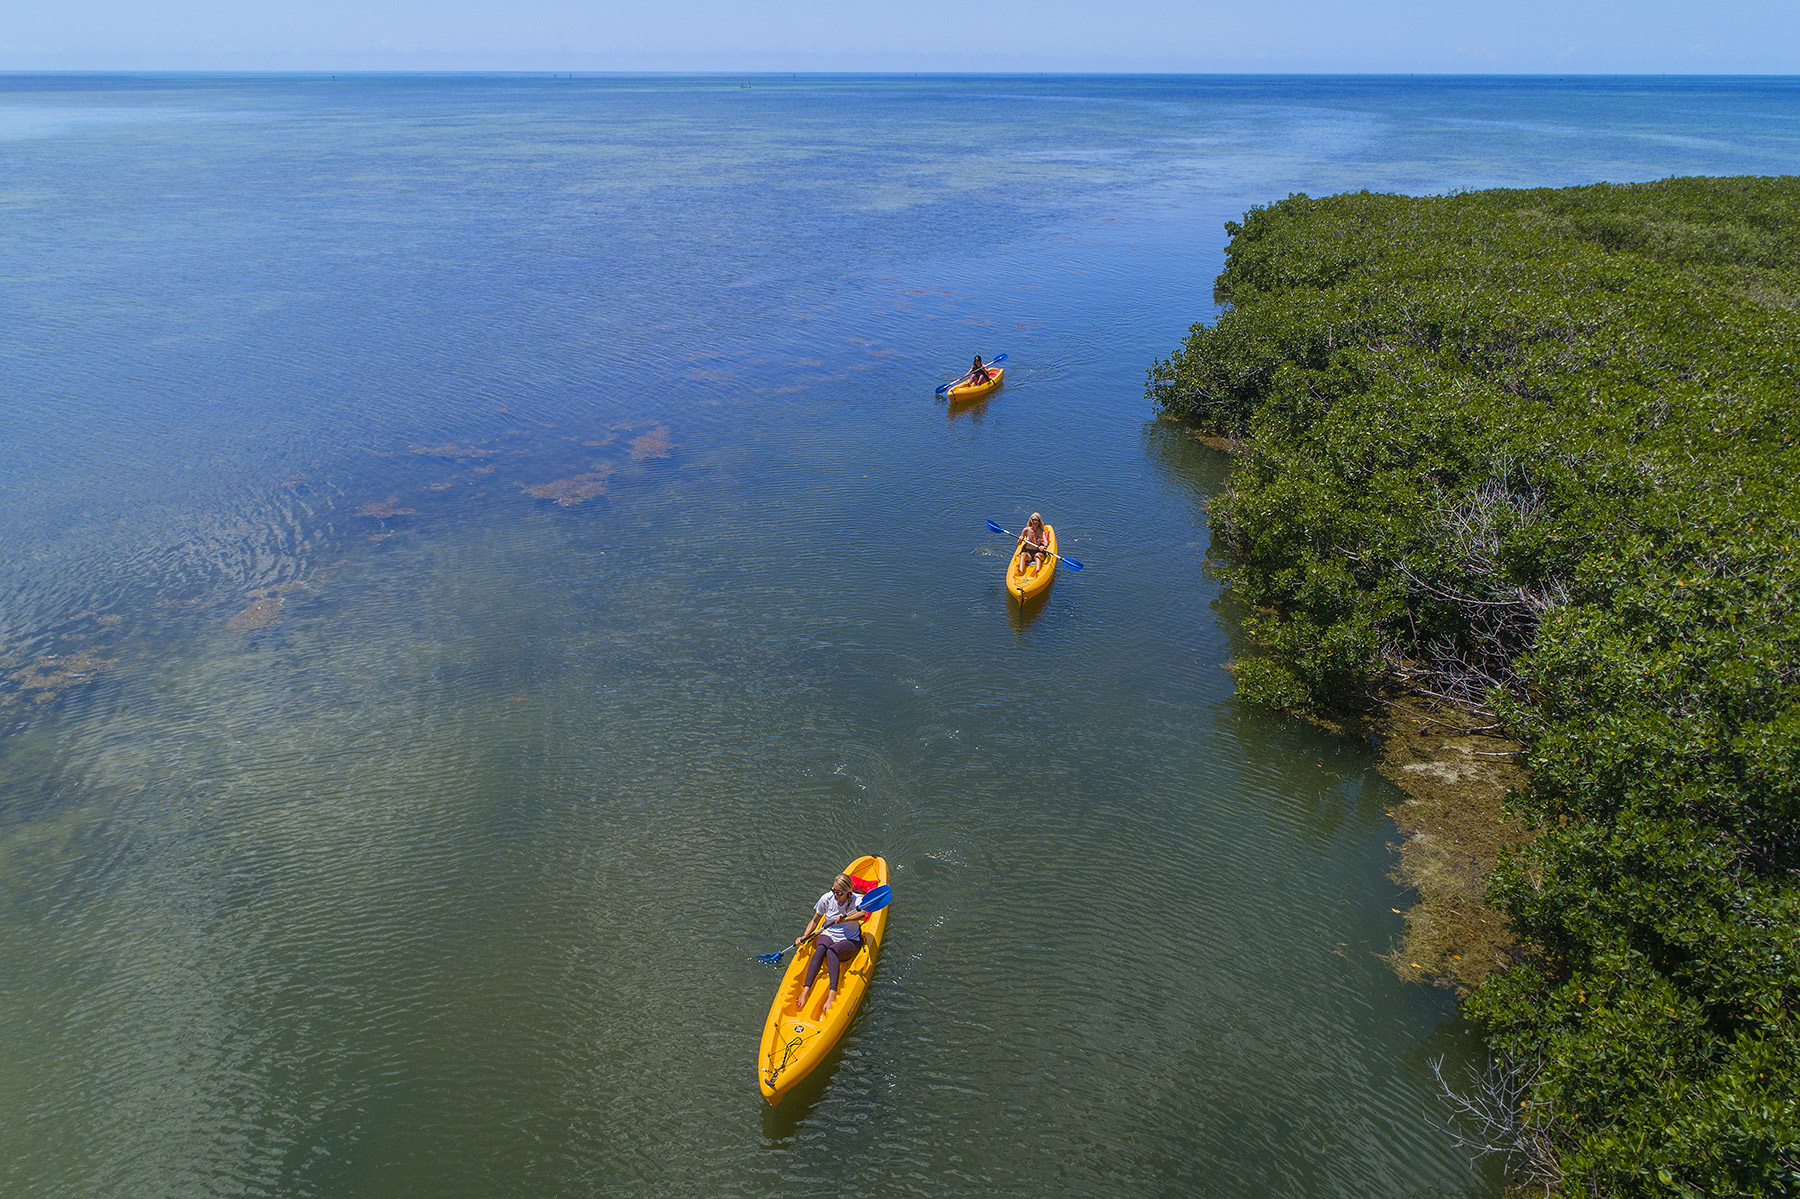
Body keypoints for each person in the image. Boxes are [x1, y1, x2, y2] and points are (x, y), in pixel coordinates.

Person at [794, 872, 871, 1017]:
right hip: (828, 934)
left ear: (848, 892)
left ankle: (832, 994)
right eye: (834, 891)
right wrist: (804, 937)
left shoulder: (856, 900)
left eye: (839, 893)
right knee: (821, 948)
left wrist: (845, 919)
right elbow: (815, 920)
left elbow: (863, 914)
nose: (835, 895)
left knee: (832, 951)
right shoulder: (827, 898)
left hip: (849, 939)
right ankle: (806, 989)